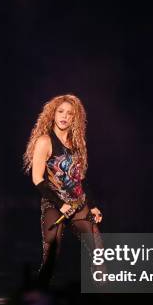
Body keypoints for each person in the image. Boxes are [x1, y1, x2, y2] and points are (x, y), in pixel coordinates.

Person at [23, 94, 103, 287]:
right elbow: (37, 178)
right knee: (51, 253)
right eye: (60, 111)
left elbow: (81, 178)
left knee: (98, 251)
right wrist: (61, 204)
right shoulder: (44, 141)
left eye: (69, 113)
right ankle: (38, 295)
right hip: (54, 203)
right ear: (53, 113)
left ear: (75, 118)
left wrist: (92, 206)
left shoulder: (77, 143)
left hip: (79, 203)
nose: (64, 116)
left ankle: (104, 297)